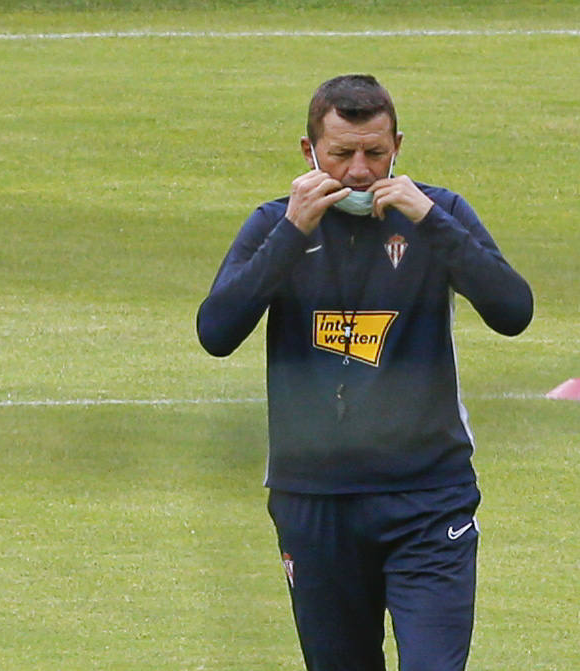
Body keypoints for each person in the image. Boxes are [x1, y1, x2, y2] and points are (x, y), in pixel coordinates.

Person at [196, 74, 533, 671]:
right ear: (308, 152)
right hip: (314, 500)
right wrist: (291, 233)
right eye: (341, 153)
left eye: (375, 154)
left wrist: (430, 221)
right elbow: (216, 332)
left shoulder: (439, 214)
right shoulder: (276, 224)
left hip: (428, 499)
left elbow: (513, 311)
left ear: (397, 146)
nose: (358, 171)